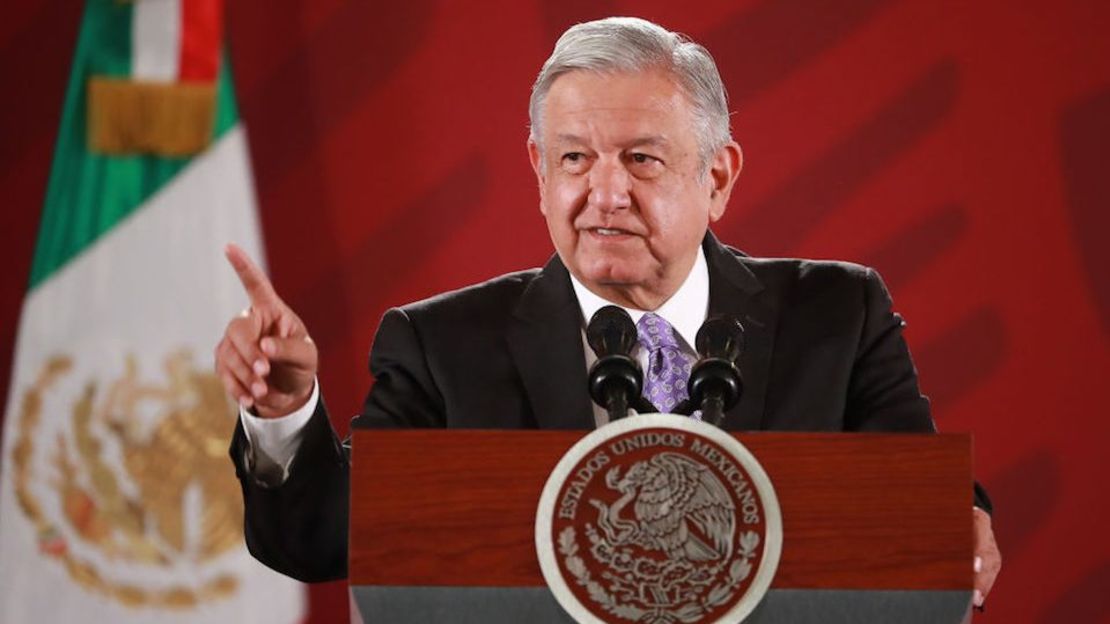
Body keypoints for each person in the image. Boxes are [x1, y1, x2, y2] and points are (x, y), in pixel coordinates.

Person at [215, 16, 1001, 607]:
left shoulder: (838, 314)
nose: (604, 193)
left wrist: (957, 519)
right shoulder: (443, 344)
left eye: (642, 159)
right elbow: (325, 539)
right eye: (574, 159)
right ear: (538, 170)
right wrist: (285, 414)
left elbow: (917, 496)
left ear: (718, 176)